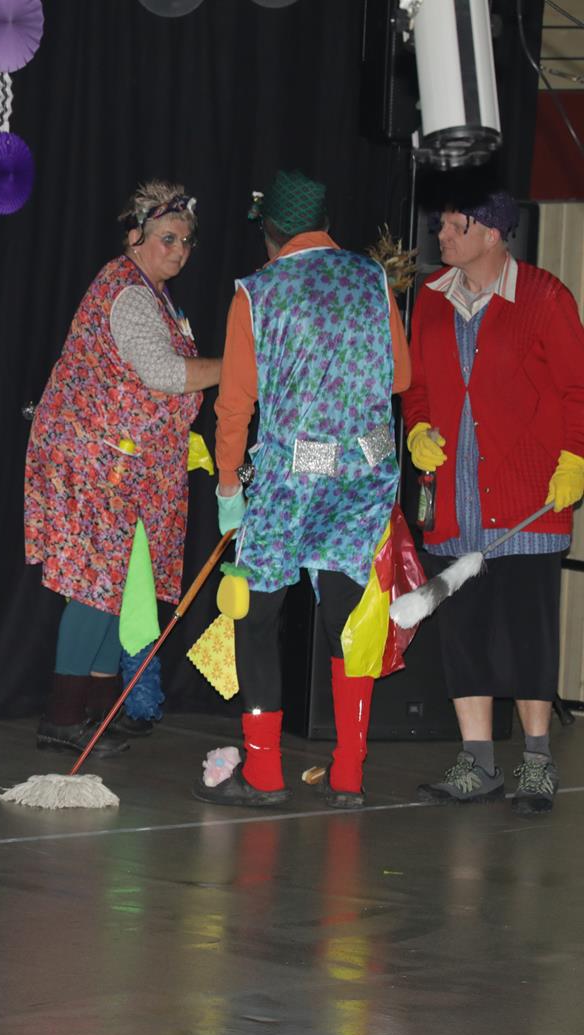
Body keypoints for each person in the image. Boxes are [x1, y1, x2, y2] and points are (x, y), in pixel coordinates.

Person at [199, 170, 410, 809]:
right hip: (366, 472)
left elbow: (234, 405)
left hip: (295, 476)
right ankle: (349, 772)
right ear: (324, 225)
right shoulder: (372, 279)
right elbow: (400, 379)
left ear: (270, 232)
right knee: (350, 618)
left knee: (256, 615)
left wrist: (229, 487)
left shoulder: (259, 292)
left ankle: (264, 774)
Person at [402, 189, 584, 815]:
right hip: (455, 499)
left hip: (529, 496)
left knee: (528, 633)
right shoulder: (430, 299)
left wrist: (575, 457)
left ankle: (537, 760)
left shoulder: (545, 297)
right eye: (442, 224)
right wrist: (417, 430)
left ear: (492, 232)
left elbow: (577, 388)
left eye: (455, 225)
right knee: (465, 632)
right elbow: (418, 387)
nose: (442, 235)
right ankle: (477, 762)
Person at [24, 181, 221, 755]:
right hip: (96, 465)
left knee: (120, 588)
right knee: (95, 586)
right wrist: (238, 365)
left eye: (186, 241)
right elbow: (163, 373)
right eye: (167, 238)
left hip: (127, 468)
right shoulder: (129, 292)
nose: (179, 251)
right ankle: (62, 717)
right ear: (136, 237)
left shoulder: (155, 296)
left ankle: (98, 713)